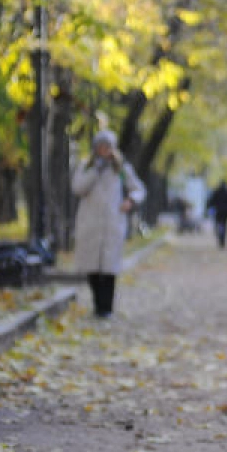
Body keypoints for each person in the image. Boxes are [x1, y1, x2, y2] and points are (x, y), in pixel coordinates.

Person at [71, 129, 147, 318]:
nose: (105, 150)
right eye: (101, 146)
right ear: (96, 148)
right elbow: (78, 188)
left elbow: (139, 189)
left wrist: (131, 201)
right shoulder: (87, 167)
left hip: (112, 222)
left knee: (109, 268)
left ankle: (106, 308)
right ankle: (98, 304)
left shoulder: (120, 169)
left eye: (108, 146)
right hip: (90, 223)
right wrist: (95, 171)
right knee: (92, 267)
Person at [206, 180, 227, 249]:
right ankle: (223, 239)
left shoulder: (216, 192)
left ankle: (220, 236)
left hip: (218, 212)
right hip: (225, 212)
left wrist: (210, 207)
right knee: (224, 225)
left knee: (218, 224)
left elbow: (211, 201)